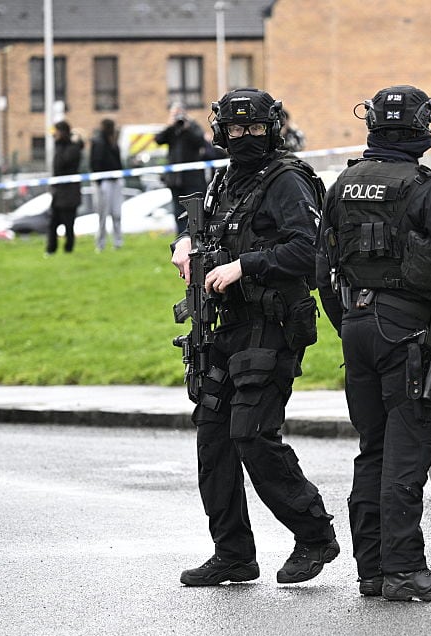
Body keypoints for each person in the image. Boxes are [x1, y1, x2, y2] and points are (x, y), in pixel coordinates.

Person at [315, 85, 431, 601]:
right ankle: (404, 570)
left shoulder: (342, 184)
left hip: (357, 328)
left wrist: (349, 320)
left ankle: (371, 570)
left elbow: (322, 271)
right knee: (407, 452)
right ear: (420, 127)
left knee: (372, 450)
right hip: (409, 334)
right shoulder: (423, 189)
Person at [170, 87, 339, 587]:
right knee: (214, 442)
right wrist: (183, 243)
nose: (246, 137)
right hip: (222, 328)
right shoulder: (223, 180)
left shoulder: (288, 181)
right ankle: (233, 554)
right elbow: (204, 228)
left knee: (252, 435)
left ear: (273, 129)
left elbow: (309, 251)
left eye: (256, 129)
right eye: (237, 129)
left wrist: (246, 265)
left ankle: (313, 534)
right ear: (221, 131)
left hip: (272, 324)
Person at [156, 101, 209, 234]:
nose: (178, 117)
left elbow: (201, 141)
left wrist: (188, 128)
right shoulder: (171, 130)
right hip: (175, 180)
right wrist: (169, 125)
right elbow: (158, 139)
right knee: (178, 212)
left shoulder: (193, 126)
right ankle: (181, 238)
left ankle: (196, 237)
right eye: (175, 114)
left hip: (192, 179)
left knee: (194, 211)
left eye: (179, 114)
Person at [46, 120, 84, 256]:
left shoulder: (72, 148)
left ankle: (68, 249)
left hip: (69, 194)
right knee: (52, 223)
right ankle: (51, 249)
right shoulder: (59, 147)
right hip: (58, 193)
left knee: (68, 224)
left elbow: (64, 162)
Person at [89, 118, 124, 252]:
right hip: (104, 181)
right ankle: (101, 243)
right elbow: (95, 162)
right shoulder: (99, 142)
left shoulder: (113, 142)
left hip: (114, 180)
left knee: (116, 213)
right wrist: (99, 182)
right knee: (103, 214)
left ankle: (118, 242)